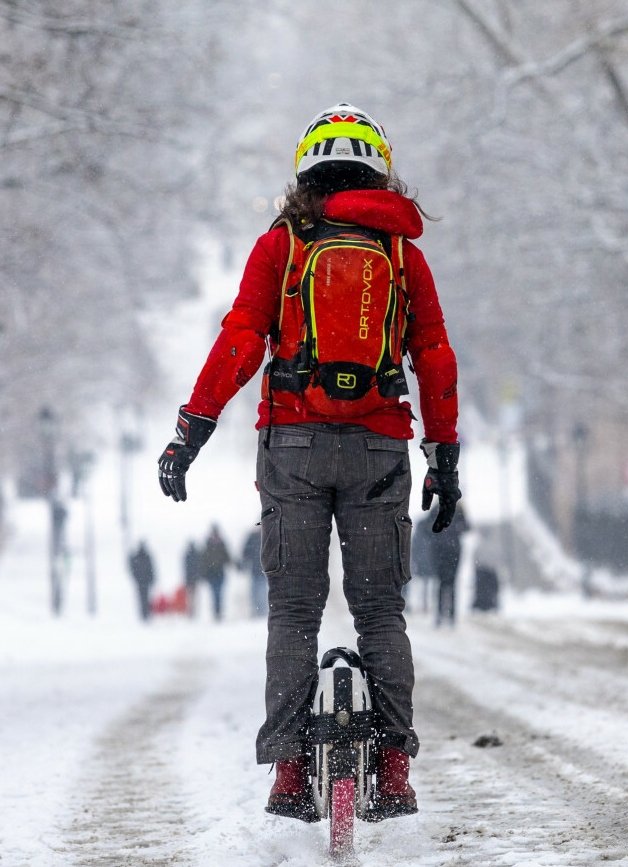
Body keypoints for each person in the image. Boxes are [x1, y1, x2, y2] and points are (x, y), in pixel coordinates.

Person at [155, 103, 461, 823]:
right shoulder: (400, 253)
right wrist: (443, 457)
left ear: (306, 170)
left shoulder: (284, 245)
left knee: (293, 611)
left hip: (292, 445)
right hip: (380, 446)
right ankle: (392, 769)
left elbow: (240, 339)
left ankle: (291, 771)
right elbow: (435, 356)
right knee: (382, 611)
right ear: (378, 167)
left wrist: (189, 432)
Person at [431, 506, 470, 627]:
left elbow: (467, 527)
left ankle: (447, 615)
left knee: (447, 583)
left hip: (447, 551)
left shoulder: (454, 509)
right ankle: (445, 615)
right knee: (446, 583)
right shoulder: (455, 509)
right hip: (447, 551)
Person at [202, 524, 231, 622]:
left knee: (219, 593)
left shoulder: (222, 544)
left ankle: (218, 611)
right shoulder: (207, 545)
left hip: (220, 573)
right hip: (212, 574)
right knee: (215, 593)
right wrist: (204, 573)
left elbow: (227, 557)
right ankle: (216, 612)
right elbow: (204, 561)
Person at [241, 528, 268, 617]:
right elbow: (245, 552)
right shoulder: (252, 537)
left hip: (264, 569)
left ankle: (261, 610)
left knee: (261, 591)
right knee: (254, 591)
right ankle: (256, 609)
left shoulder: (267, 536)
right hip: (255, 570)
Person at [127, 540, 155, 622]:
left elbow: (150, 568)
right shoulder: (144, 557)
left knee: (144, 598)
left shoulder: (142, 557)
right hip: (143, 581)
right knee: (144, 598)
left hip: (142, 581)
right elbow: (150, 569)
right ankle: (145, 613)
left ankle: (145, 613)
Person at [183, 540, 202, 619]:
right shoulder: (195, 555)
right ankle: (191, 612)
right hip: (192, 579)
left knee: (192, 597)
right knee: (192, 597)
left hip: (191, 579)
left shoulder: (189, 555)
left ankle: (192, 612)